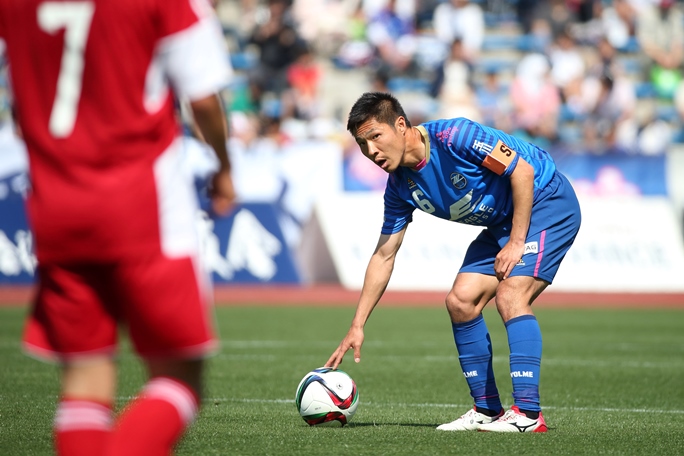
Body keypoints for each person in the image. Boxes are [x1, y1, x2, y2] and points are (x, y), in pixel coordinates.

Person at [0, 0, 235, 454]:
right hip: (141, 204)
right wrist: (225, 167)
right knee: (179, 376)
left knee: (84, 380)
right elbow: (203, 96)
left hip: (55, 204)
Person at [326, 92, 581, 433]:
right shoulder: (399, 187)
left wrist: (517, 243)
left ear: (400, 125)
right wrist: (357, 324)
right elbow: (384, 254)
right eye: (362, 144)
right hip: (503, 221)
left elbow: (522, 171)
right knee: (461, 302)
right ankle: (487, 409)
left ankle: (528, 414)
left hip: (546, 200)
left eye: (375, 136)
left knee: (511, 296)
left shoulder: (456, 137)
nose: (371, 151)